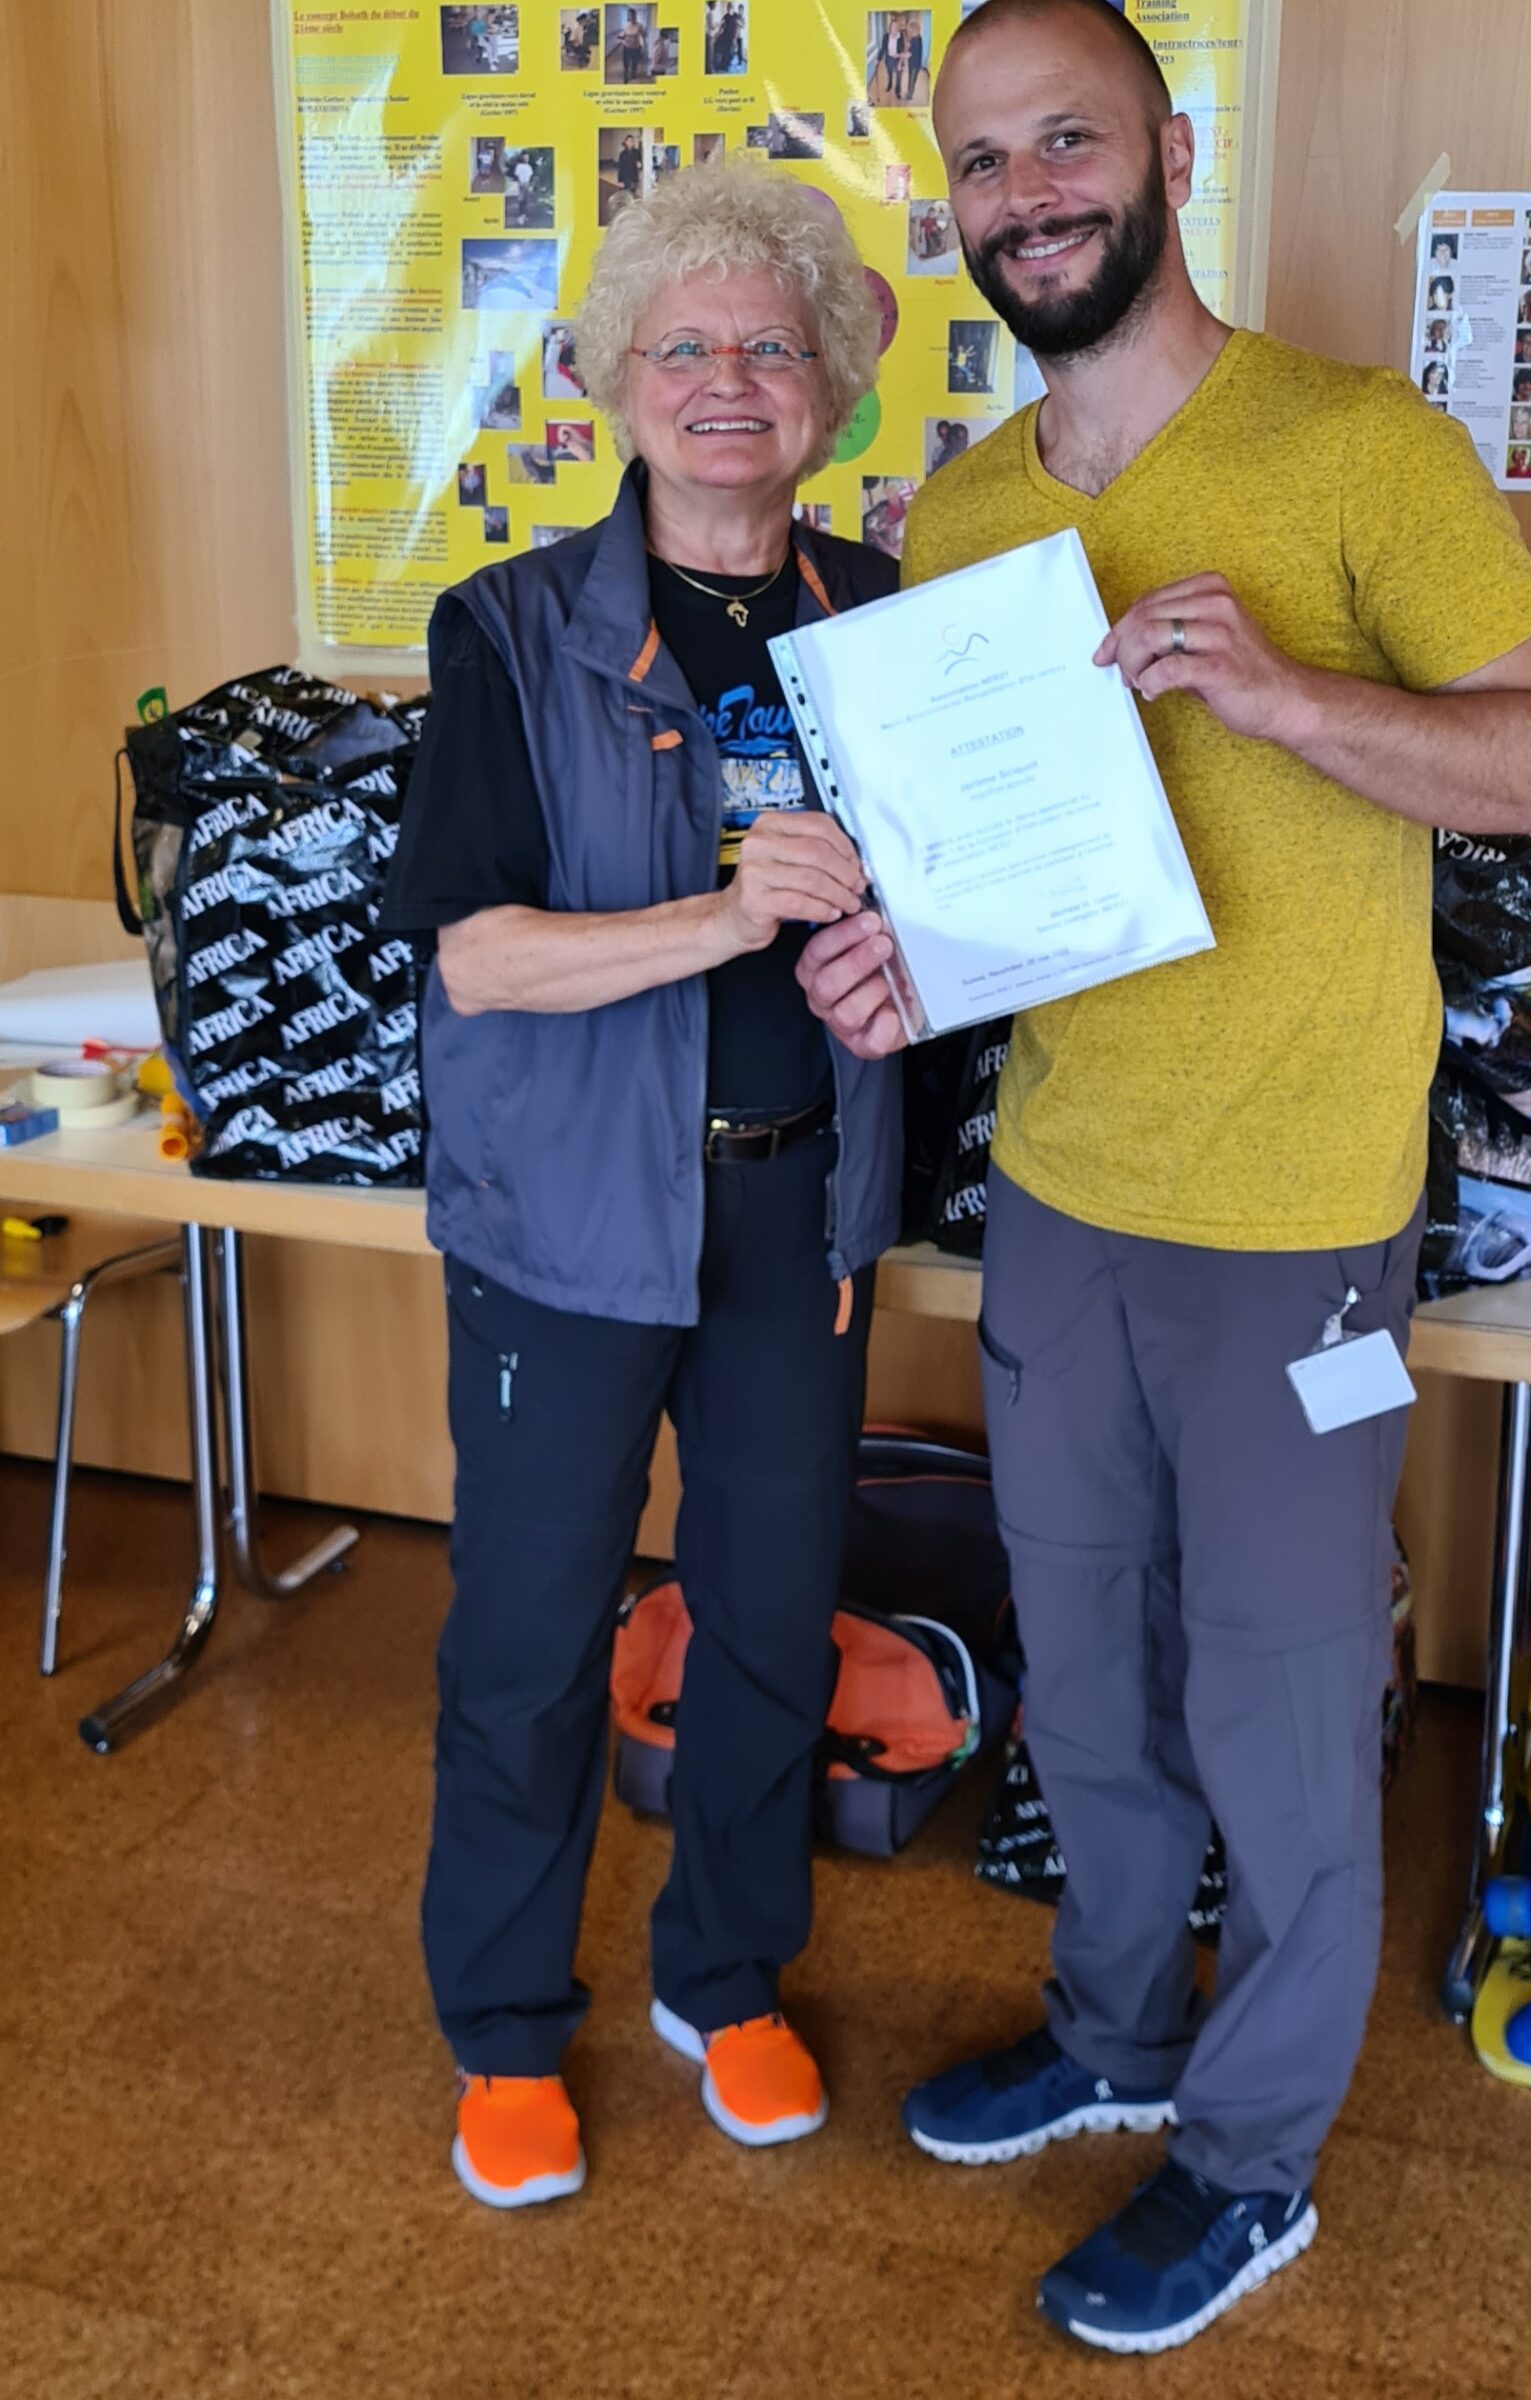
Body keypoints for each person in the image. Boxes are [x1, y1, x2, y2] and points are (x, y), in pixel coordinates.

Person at [794, 0, 1531, 2356]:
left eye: (1066, 139)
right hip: (1061, 1192)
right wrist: (906, 964)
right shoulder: (965, 511)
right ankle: (1114, 2032)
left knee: (1276, 1707)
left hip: (1293, 1228)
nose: (1024, 194)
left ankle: (1250, 2160)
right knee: (1088, 1676)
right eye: (980, 160)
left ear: (1168, 149)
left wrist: (1280, 694)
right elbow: (996, 873)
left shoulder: (1360, 448)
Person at [382, 158, 897, 2212]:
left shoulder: (882, 616)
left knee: (768, 1621)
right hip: (569, 1221)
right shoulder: (509, 628)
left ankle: (726, 1975)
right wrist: (727, 914)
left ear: (831, 385)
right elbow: (479, 957)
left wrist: (911, 973)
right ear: (613, 379)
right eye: (680, 344)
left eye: (770, 343)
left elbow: (947, 909)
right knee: (527, 1637)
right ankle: (507, 2026)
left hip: (798, 1214)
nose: (725, 379)